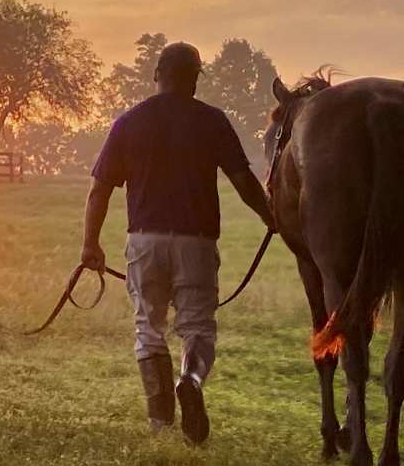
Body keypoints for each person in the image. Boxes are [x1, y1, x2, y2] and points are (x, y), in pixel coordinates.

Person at [80, 42, 276, 444]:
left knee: (148, 327)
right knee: (197, 326)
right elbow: (243, 181)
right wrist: (272, 218)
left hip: (144, 240)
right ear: (195, 79)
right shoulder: (212, 121)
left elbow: (100, 189)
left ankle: (160, 423)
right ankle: (191, 379)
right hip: (197, 241)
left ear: (157, 74)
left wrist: (91, 244)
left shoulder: (129, 122)